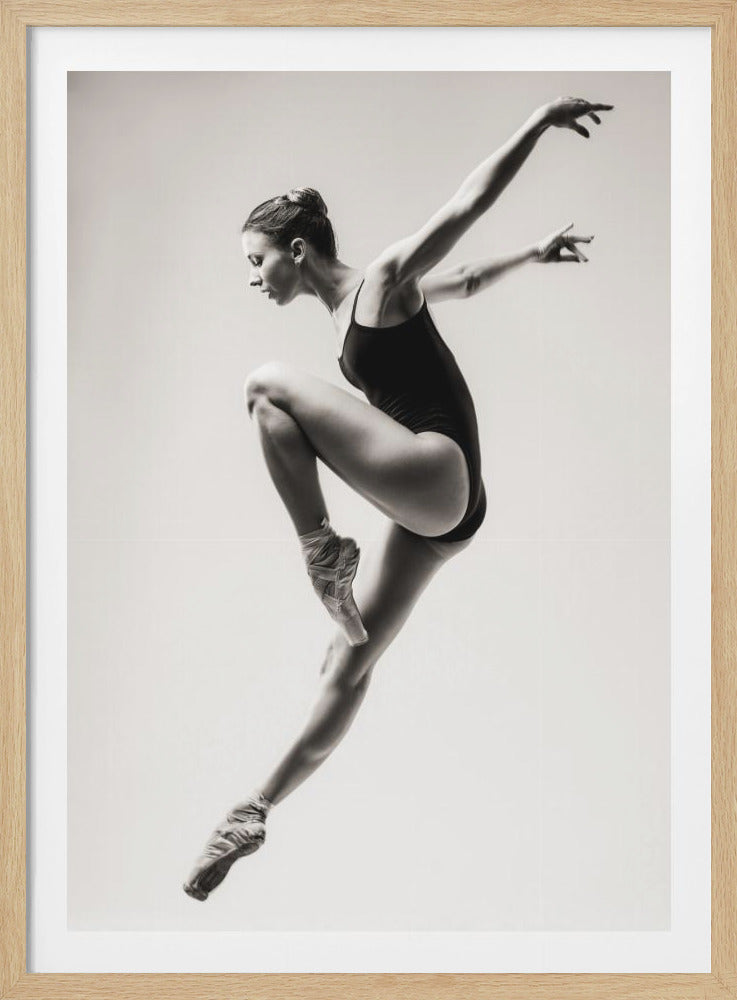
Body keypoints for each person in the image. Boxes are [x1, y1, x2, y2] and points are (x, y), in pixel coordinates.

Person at [183, 95, 614, 901]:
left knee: (266, 387)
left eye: (257, 259)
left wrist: (538, 119)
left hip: (436, 470)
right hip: (443, 517)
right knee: (345, 660)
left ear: (296, 249)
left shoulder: (379, 281)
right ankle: (253, 809)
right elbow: (468, 280)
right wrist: (534, 253)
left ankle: (321, 551)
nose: (252, 277)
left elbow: (464, 206)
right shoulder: (371, 305)